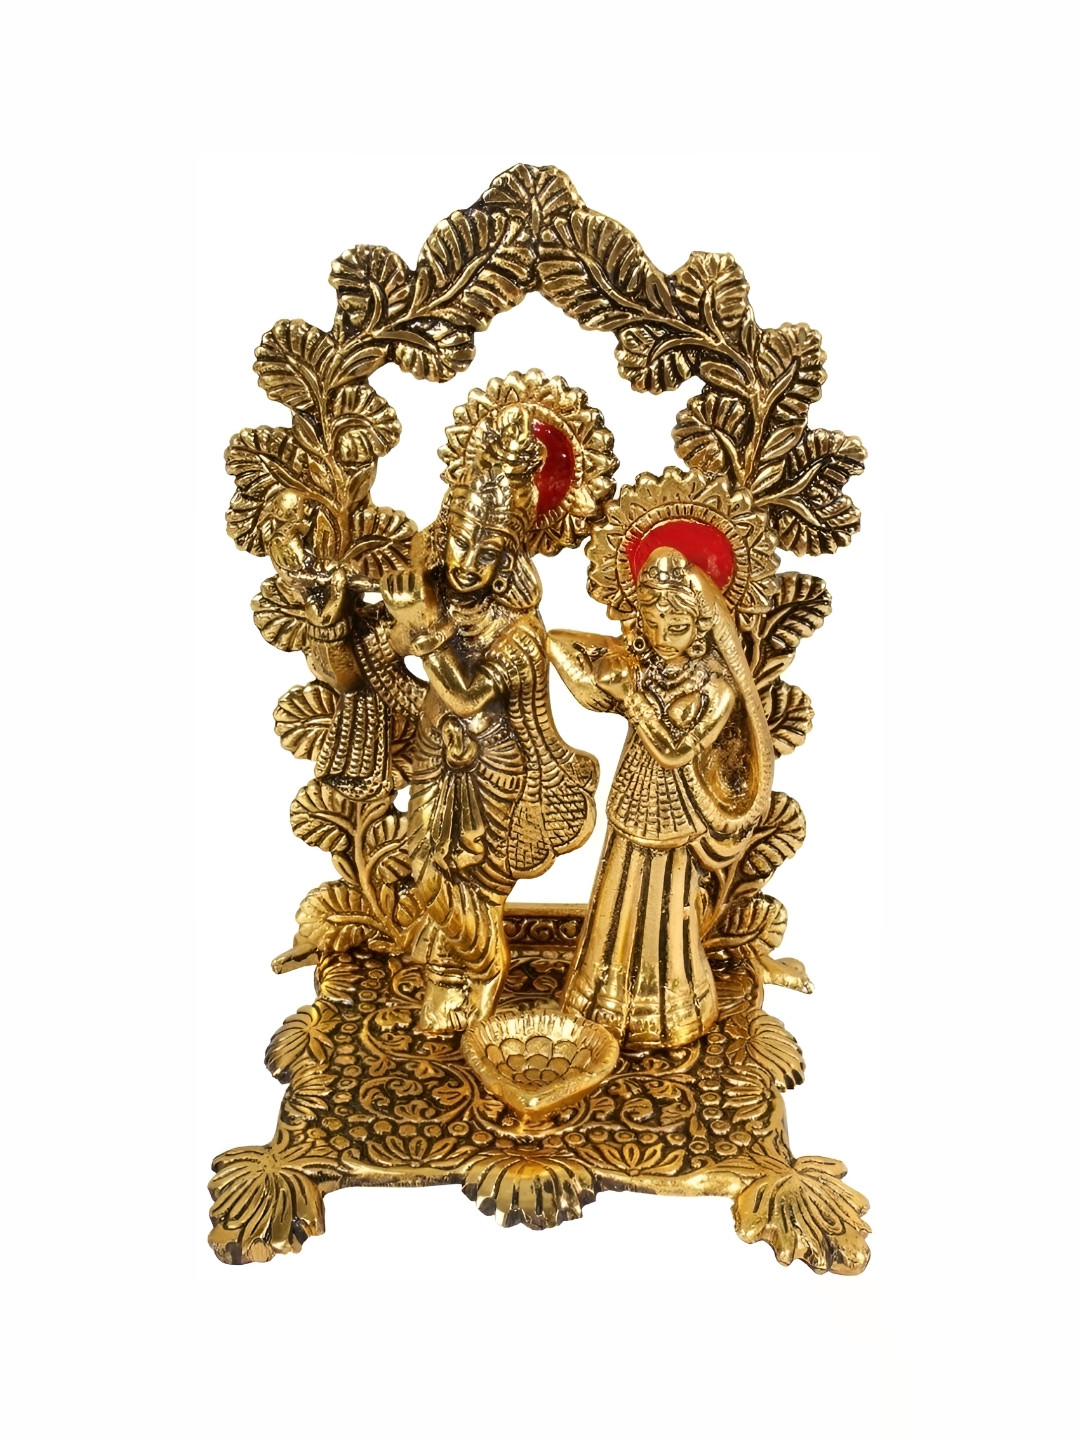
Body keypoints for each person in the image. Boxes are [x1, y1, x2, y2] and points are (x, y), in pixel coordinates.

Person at [383, 413, 599, 1034]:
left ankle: (480, 967)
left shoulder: (519, 632)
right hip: (435, 753)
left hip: (493, 765)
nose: (469, 562)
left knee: (471, 874)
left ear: (509, 555)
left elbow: (468, 695)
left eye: (489, 550)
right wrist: (406, 606)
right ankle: (448, 961)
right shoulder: (438, 595)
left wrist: (425, 626)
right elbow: (389, 650)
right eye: (461, 541)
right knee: (425, 863)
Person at [547, 547, 773, 1049]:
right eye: (652, 624)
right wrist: (620, 651)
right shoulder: (642, 664)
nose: (663, 637)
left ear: (702, 626)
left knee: (666, 900)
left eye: (677, 627)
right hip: (634, 796)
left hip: (676, 806)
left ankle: (668, 1003)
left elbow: (674, 751)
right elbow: (558, 643)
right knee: (618, 889)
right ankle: (600, 996)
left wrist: (632, 698)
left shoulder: (716, 689)